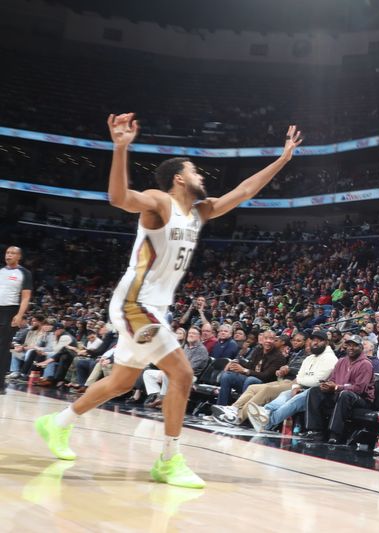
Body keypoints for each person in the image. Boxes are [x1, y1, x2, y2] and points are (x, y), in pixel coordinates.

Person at [34, 113, 303, 489]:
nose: (202, 177)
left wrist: (283, 159)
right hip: (134, 303)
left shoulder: (199, 211)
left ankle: (57, 423)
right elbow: (119, 198)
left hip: (153, 308)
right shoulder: (160, 202)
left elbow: (243, 192)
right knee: (182, 373)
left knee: (121, 383)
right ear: (179, 178)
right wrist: (121, 147)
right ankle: (168, 459)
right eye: (195, 171)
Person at [301, 335, 375, 444]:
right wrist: (327, 385)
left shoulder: (366, 364)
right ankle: (315, 430)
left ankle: (335, 434)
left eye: (354, 345)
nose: (350, 348)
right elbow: (333, 379)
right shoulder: (341, 361)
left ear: (361, 347)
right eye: (349, 345)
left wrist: (336, 387)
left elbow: (359, 389)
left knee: (345, 394)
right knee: (314, 391)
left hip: (362, 399)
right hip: (340, 393)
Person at [0, 246, 32, 394]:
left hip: (10, 311)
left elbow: (26, 297)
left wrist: (19, 315)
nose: (9, 255)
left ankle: (1, 384)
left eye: (12, 253)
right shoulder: (1, 271)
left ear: (19, 256)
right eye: (7, 252)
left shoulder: (24, 273)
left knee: (3, 347)